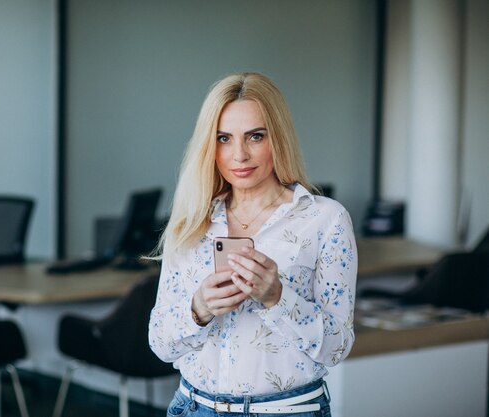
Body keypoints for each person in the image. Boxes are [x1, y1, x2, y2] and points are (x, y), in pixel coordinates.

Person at [148, 72, 357, 416]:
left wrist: (277, 298)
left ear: (278, 138)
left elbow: (337, 348)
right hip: (193, 408)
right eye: (224, 138)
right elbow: (159, 343)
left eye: (255, 136)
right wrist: (198, 309)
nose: (239, 154)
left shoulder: (325, 220)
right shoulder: (191, 221)